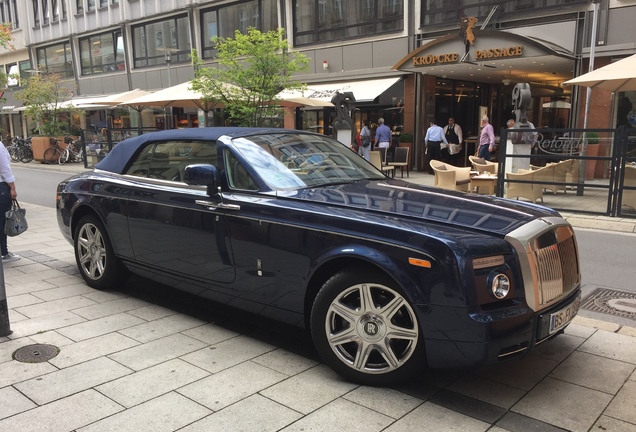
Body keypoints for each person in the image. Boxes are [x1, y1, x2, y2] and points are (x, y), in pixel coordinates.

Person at [0, 139, 20, 262]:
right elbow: (4, 168)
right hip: (1, 187)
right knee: (2, 220)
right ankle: (4, 253)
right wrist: (12, 187)